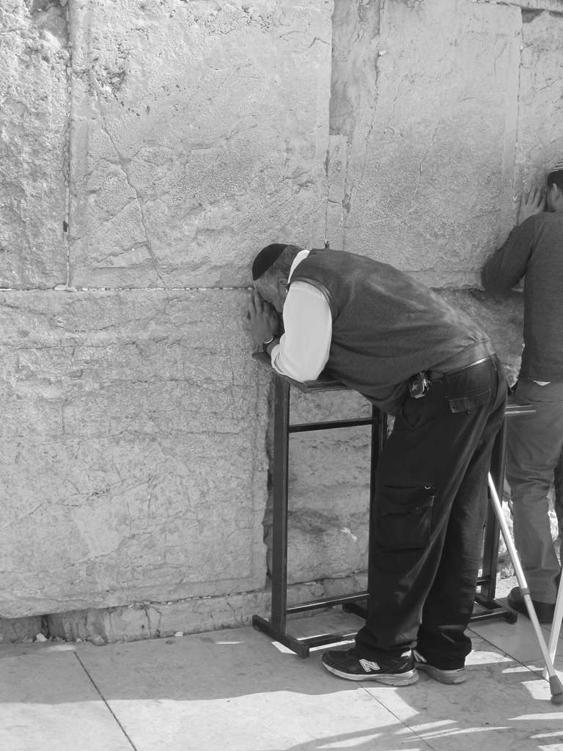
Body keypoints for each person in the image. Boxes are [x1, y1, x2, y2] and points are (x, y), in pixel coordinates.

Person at [248, 243, 507, 686]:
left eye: (268, 299)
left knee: (406, 519)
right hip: (481, 373)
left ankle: (386, 654)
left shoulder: (306, 285)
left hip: (442, 392)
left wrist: (270, 339)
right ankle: (443, 652)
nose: (274, 307)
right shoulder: (345, 266)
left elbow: (303, 365)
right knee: (459, 520)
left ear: (276, 280)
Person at [482, 166, 563, 624]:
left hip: (549, 381)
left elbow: (493, 280)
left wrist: (523, 224)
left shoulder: (542, 226)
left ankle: (544, 592)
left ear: (553, 192)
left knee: (530, 482)